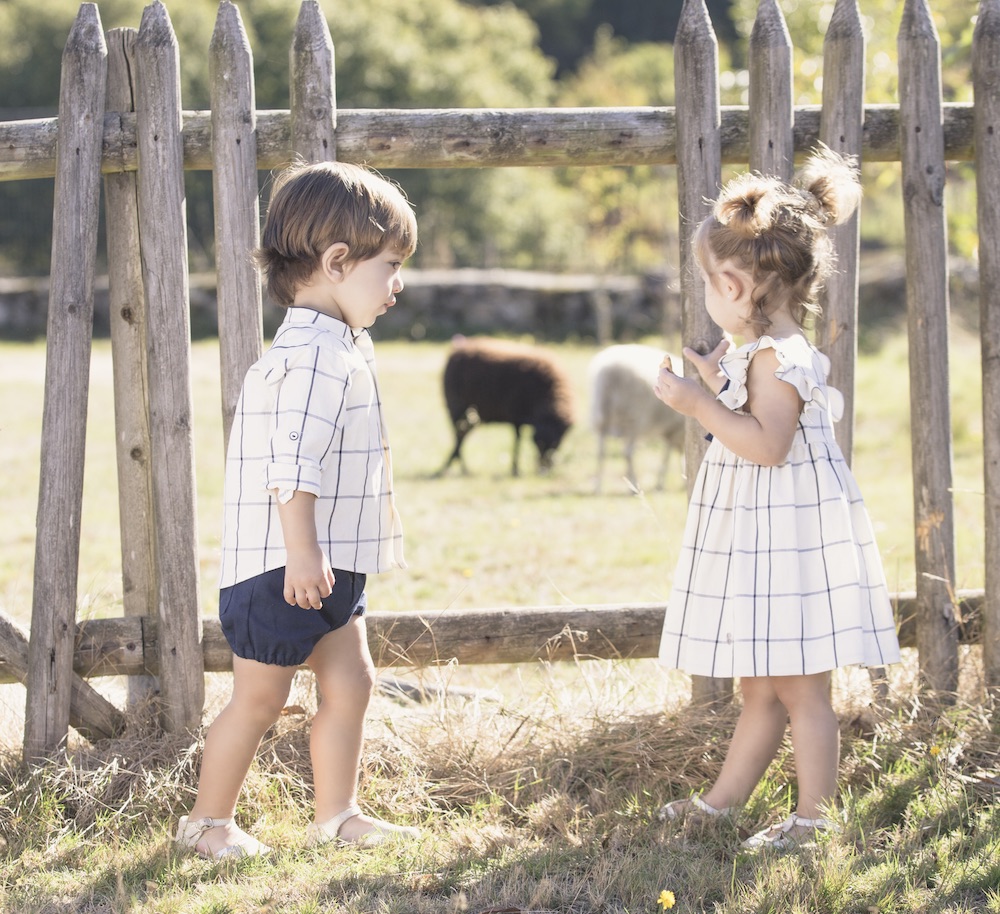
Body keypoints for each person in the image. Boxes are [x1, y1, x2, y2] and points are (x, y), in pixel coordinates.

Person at [653, 147, 900, 850]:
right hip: (767, 537)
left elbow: (767, 445)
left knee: (801, 690)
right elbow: (757, 422)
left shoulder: (779, 358)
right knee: (759, 686)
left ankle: (815, 819)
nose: (705, 291)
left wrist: (699, 405)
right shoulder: (761, 353)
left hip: (788, 543)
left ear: (735, 285)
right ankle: (721, 805)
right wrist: (717, 382)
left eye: (707, 279)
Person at [174, 160, 420, 859]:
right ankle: (206, 825)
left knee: (352, 680)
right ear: (337, 261)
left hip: (324, 561)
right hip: (286, 564)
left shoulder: (338, 346)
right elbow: (293, 464)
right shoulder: (313, 355)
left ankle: (337, 815)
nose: (397, 284)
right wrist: (303, 552)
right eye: (390, 265)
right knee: (260, 700)